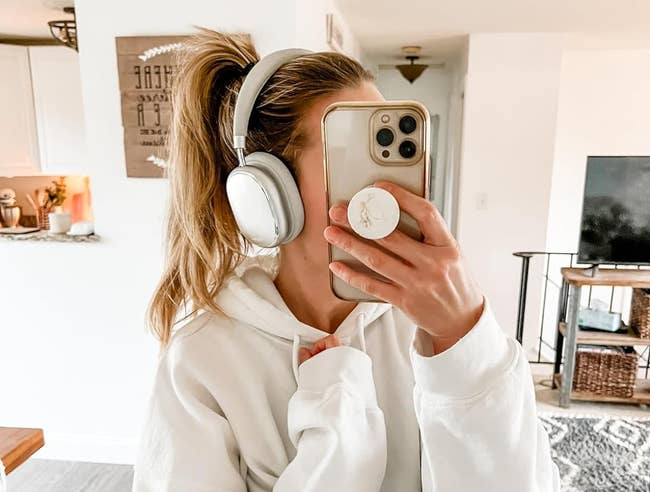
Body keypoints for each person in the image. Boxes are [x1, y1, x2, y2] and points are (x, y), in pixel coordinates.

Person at [132, 27, 560, 492]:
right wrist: (340, 441)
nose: (386, 197)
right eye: (355, 166)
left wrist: (467, 345)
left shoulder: (435, 325)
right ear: (270, 196)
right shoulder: (202, 360)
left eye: (395, 166)